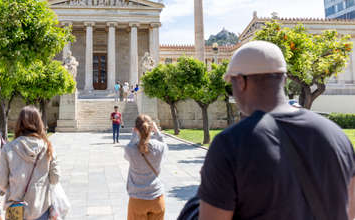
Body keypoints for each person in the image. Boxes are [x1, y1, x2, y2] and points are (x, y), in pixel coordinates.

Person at [198, 41, 355, 220]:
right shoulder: (337, 135)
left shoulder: (231, 144)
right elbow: (350, 211)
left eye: (231, 85)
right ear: (285, 80)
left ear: (241, 82)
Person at [0, 106, 60, 220]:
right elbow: (55, 178)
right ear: (39, 123)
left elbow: (2, 183)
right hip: (41, 208)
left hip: (15, 209)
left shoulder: (8, 148)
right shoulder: (48, 147)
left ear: (19, 123)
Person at [125, 115, 168, 220]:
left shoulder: (130, 149)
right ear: (151, 128)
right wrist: (157, 132)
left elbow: (129, 150)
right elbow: (165, 146)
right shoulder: (160, 147)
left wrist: (134, 135)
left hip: (137, 200)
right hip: (157, 198)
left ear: (136, 129)